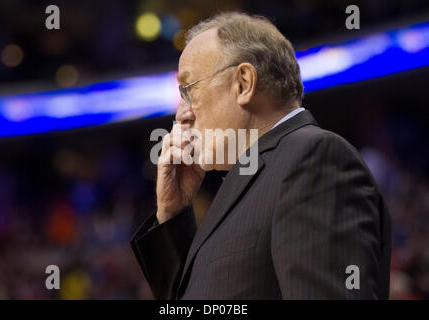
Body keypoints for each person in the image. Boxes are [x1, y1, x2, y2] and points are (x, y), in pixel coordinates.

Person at [131, 12, 391, 299]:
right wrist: (172, 215)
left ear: (243, 83)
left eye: (189, 90)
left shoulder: (313, 158)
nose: (181, 114)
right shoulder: (251, 176)